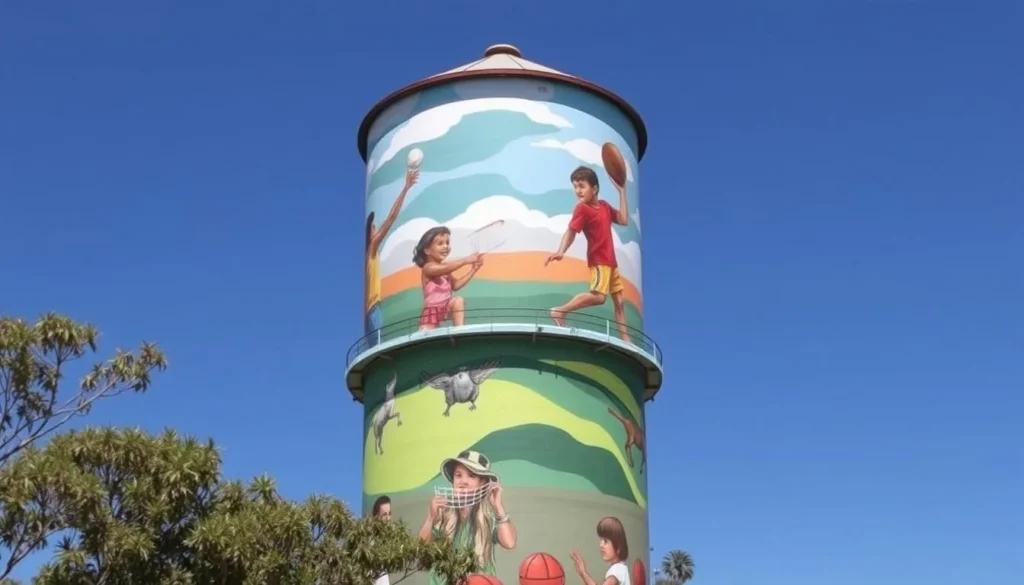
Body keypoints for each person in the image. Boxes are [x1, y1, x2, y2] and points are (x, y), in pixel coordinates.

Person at [545, 166, 631, 343]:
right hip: (599, 260)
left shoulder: (605, 206)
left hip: (612, 262)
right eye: (575, 186)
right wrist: (561, 251)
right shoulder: (582, 209)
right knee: (599, 297)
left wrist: (622, 191)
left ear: (595, 188)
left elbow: (623, 219)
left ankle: (625, 338)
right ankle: (561, 310)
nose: (578, 191)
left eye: (581, 186)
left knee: (620, 302)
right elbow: (571, 231)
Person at [418, 450, 516, 585]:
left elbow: (509, 543)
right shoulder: (442, 512)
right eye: (458, 475)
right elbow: (421, 549)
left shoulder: (489, 516)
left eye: (471, 476)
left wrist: (499, 508)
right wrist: (431, 518)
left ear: (483, 483)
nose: (463, 482)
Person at [366, 168, 419, 340]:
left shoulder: (371, 259)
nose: (377, 230)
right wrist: (406, 188)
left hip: (372, 310)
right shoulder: (372, 250)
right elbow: (390, 219)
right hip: (373, 309)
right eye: (374, 228)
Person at [411, 227, 483, 331]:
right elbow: (446, 268)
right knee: (426, 333)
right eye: (440, 243)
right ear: (427, 250)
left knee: (458, 301)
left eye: (447, 243)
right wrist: (466, 260)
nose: (446, 246)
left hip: (445, 308)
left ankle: (460, 331)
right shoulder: (428, 268)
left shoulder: (445, 272)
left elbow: (456, 285)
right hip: (432, 313)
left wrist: (473, 270)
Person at [571, 517, 631, 585]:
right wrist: (583, 574)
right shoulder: (622, 569)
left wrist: (584, 574)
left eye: (606, 541)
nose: (601, 545)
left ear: (618, 548)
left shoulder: (616, 570)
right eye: (601, 540)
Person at [372, 495, 393, 585]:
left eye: (389, 514)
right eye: (384, 515)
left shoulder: (387, 542)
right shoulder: (370, 543)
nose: (388, 518)